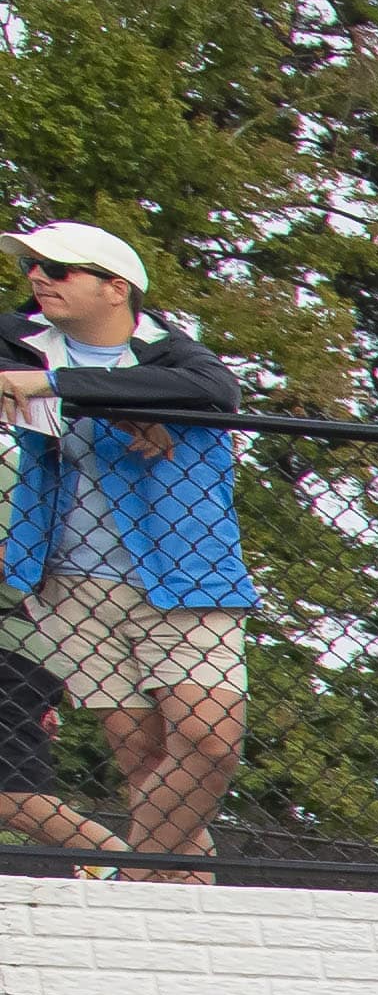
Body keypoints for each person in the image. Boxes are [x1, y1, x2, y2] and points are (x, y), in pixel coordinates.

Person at [0, 223, 254, 869]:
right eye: (33, 266)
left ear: (117, 289)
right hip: (70, 584)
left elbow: (215, 393)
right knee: (142, 758)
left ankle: (142, 879)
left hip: (187, 578)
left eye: (58, 271)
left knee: (210, 741)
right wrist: (119, 409)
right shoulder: (19, 339)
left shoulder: (169, 351)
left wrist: (60, 390)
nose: (37, 279)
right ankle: (175, 895)